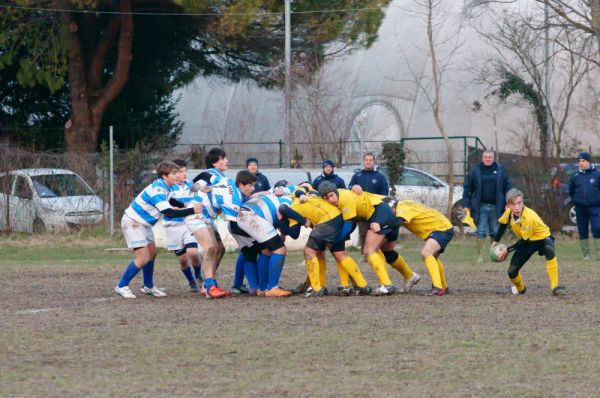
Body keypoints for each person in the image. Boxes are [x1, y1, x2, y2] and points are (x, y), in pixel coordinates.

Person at [115, 161, 202, 299]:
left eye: (177, 172)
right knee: (143, 258)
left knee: (152, 253)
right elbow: (168, 211)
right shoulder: (158, 189)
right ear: (164, 176)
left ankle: (148, 286)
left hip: (144, 224)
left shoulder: (167, 186)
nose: (177, 175)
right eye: (174, 173)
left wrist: (183, 204)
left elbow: (171, 201)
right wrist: (190, 210)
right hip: (134, 222)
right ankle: (122, 286)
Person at [320, 182, 420, 295]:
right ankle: (409, 276)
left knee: (369, 251)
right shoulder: (340, 196)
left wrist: (333, 240)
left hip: (381, 211)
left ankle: (387, 285)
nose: (330, 199)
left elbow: (349, 226)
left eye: (331, 195)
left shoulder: (344, 199)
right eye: (326, 198)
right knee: (385, 251)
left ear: (336, 192)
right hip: (383, 210)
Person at [492, 188, 566, 296]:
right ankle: (520, 289)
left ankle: (555, 287)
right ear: (508, 205)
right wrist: (495, 242)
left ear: (523, 203)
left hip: (542, 238)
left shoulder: (529, 217)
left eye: (519, 203)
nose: (517, 207)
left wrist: (507, 250)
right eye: (513, 204)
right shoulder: (508, 213)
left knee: (550, 251)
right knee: (512, 271)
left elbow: (524, 241)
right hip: (526, 242)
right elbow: (503, 225)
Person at [394, 199, 454, 296]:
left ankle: (437, 288)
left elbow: (398, 220)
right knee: (433, 257)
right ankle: (443, 286)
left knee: (426, 253)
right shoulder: (404, 203)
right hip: (443, 227)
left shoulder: (401, 207)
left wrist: (381, 225)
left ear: (392, 206)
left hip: (441, 229)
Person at [462, 150, 512, 263]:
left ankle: (494, 255)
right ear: (482, 158)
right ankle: (479, 256)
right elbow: (467, 188)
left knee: (495, 231)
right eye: (486, 157)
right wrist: (465, 204)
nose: (488, 159)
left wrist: (509, 203)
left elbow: (508, 187)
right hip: (480, 207)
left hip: (496, 207)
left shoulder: (500, 170)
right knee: (481, 231)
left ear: (493, 158)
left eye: (490, 157)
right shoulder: (475, 170)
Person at [164, 159, 203, 292]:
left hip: (188, 225)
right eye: (180, 171)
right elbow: (164, 204)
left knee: (193, 252)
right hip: (172, 226)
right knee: (183, 260)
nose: (184, 174)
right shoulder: (167, 187)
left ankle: (198, 274)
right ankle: (191, 281)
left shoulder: (192, 186)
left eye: (185, 170)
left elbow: (197, 202)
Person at [349, 153, 390, 249]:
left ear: (374, 162)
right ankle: (364, 254)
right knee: (363, 232)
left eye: (370, 160)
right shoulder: (357, 176)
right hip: (361, 209)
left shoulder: (380, 177)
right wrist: (353, 187)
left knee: (375, 230)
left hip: (375, 209)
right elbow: (349, 188)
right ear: (363, 162)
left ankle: (375, 252)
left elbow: (384, 192)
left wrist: (378, 204)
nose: (368, 162)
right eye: (366, 160)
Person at [568, 151, 600, 260]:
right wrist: (577, 201)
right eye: (579, 161)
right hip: (580, 208)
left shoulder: (597, 174)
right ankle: (586, 254)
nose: (581, 163)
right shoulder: (575, 176)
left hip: (595, 206)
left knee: (597, 227)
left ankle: (598, 253)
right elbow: (571, 192)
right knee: (582, 229)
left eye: (583, 161)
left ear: (589, 162)